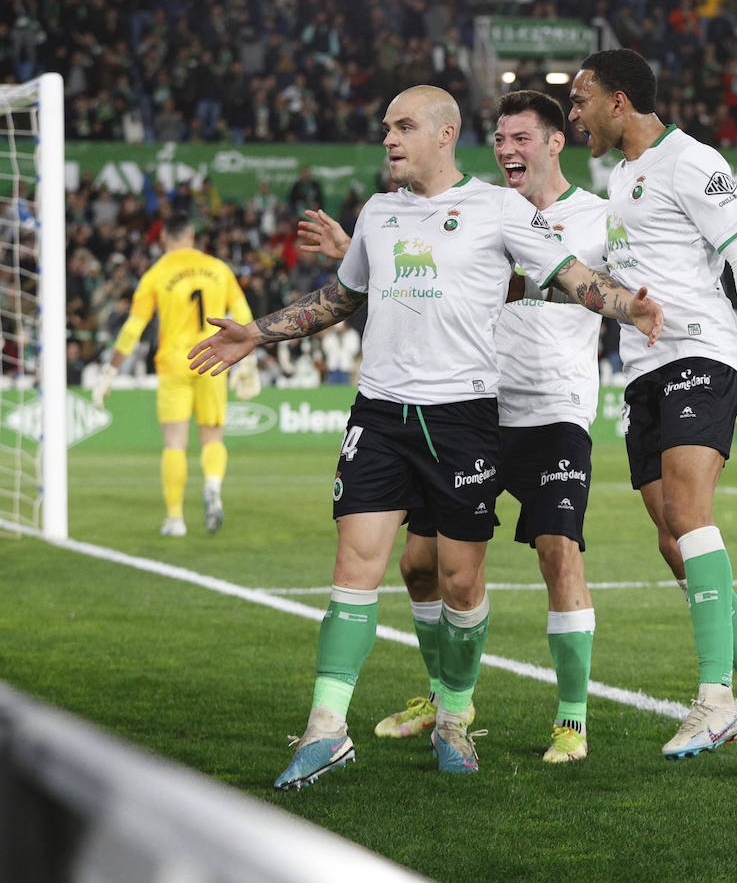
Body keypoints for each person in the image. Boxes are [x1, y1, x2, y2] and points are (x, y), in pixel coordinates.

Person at [188, 85, 662, 788]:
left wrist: (631, 306)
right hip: (380, 414)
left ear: (445, 134)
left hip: (463, 419)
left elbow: (570, 277)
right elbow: (343, 298)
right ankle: (326, 729)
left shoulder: (499, 209)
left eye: (403, 127)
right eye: (386, 128)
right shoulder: (378, 212)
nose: (389, 139)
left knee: (461, 580)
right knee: (356, 568)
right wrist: (256, 331)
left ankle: (454, 717)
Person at [299, 90, 608, 765]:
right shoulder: (485, 212)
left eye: (520, 139)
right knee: (419, 567)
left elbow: (589, 283)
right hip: (478, 405)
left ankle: (571, 718)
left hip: (552, 407)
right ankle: (444, 701)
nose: (507, 151)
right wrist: (362, 249)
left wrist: (634, 308)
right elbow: (440, 276)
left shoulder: (594, 218)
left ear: (556, 143)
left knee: (557, 549)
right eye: (499, 140)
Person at [568, 49, 737, 774]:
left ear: (620, 101)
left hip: (701, 352)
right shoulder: (620, 177)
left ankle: (716, 696)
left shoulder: (690, 161)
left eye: (581, 100)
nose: (574, 113)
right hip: (643, 371)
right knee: (673, 540)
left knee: (687, 510)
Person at [92, 213, 260, 537]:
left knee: (174, 444)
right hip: (213, 360)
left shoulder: (156, 274)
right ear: (193, 236)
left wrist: (109, 373)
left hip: (174, 363)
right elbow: (243, 316)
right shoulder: (218, 269)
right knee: (212, 436)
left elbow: (133, 328)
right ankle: (212, 485)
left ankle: (175, 518)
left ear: (164, 239)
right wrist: (248, 363)